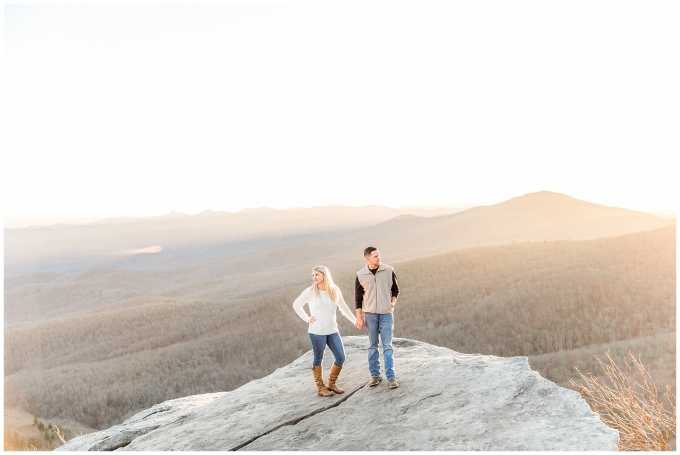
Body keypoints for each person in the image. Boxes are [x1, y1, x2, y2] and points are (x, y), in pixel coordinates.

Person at [293, 265, 357, 397]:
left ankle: (331, 384)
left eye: (317, 274)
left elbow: (343, 308)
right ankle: (320, 388)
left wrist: (355, 320)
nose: (314, 277)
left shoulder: (334, 290)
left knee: (340, 357)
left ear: (324, 275)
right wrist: (307, 318)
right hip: (316, 331)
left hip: (332, 330)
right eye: (313, 275)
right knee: (318, 358)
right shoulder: (310, 291)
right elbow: (296, 304)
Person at [354, 246, 400, 389]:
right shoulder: (361, 274)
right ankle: (375, 376)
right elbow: (358, 297)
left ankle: (391, 377)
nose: (379, 258)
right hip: (370, 315)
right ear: (368, 258)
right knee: (372, 346)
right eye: (375, 256)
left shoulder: (388, 270)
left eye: (379, 255)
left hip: (386, 313)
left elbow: (396, 290)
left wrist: (391, 304)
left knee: (387, 346)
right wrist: (359, 317)